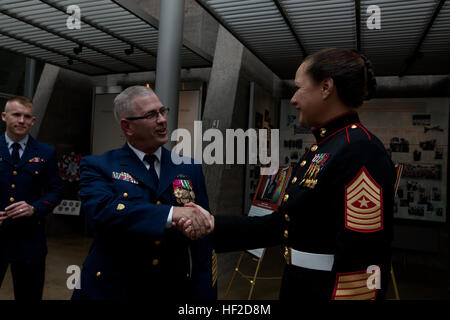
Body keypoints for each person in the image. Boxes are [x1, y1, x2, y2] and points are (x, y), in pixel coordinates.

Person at [176, 48, 396, 300]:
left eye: (300, 87)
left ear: (326, 88)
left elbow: (364, 254)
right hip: (300, 284)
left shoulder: (360, 149)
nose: (293, 99)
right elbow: (283, 225)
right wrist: (214, 225)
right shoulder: (326, 147)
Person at [72, 86, 217, 300]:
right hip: (113, 290)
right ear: (127, 126)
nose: (162, 120)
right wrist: (171, 214)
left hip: (171, 289)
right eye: (151, 115)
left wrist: (205, 295)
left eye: (162, 111)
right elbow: (102, 213)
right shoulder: (98, 166)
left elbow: (203, 239)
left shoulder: (189, 168)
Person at [0, 96, 62, 300]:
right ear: (4, 116)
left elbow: (55, 191)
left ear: (33, 121)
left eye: (27, 116)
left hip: (29, 240)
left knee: (29, 295)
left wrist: (35, 208)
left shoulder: (46, 152)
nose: (21, 120)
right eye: (16, 115)